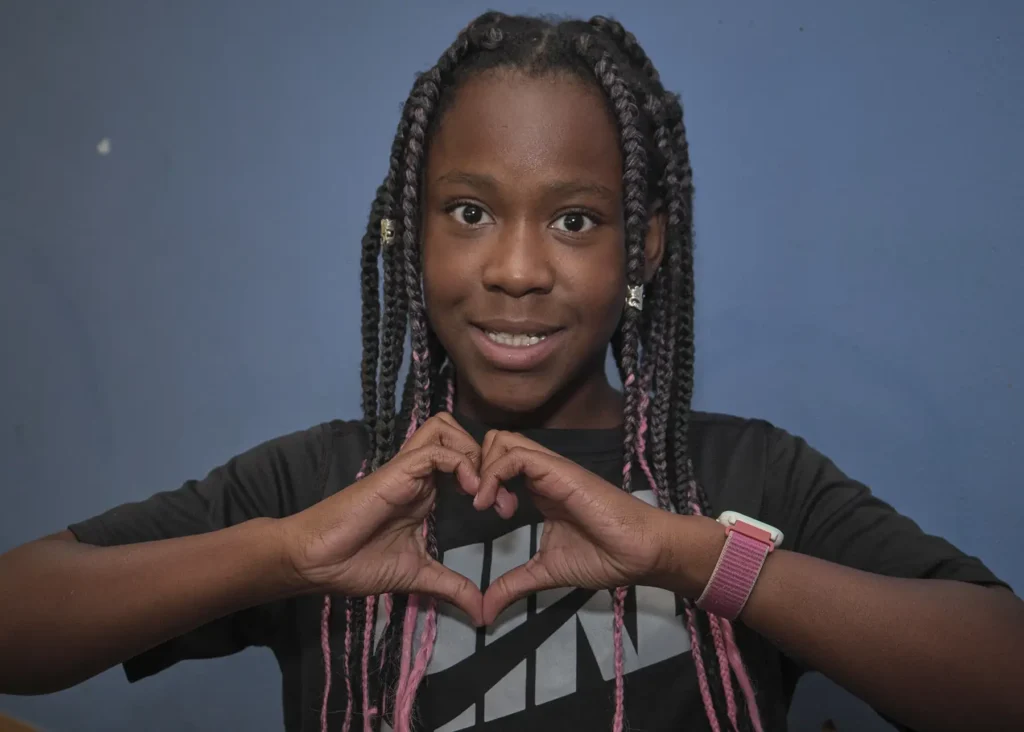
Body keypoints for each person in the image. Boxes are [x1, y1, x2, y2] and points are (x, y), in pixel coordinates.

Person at [0, 12, 1021, 732]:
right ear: (410, 235)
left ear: (645, 248)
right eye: (470, 213)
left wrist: (692, 559)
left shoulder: (744, 477)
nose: (517, 269)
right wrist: (284, 556)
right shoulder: (326, 486)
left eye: (575, 220)